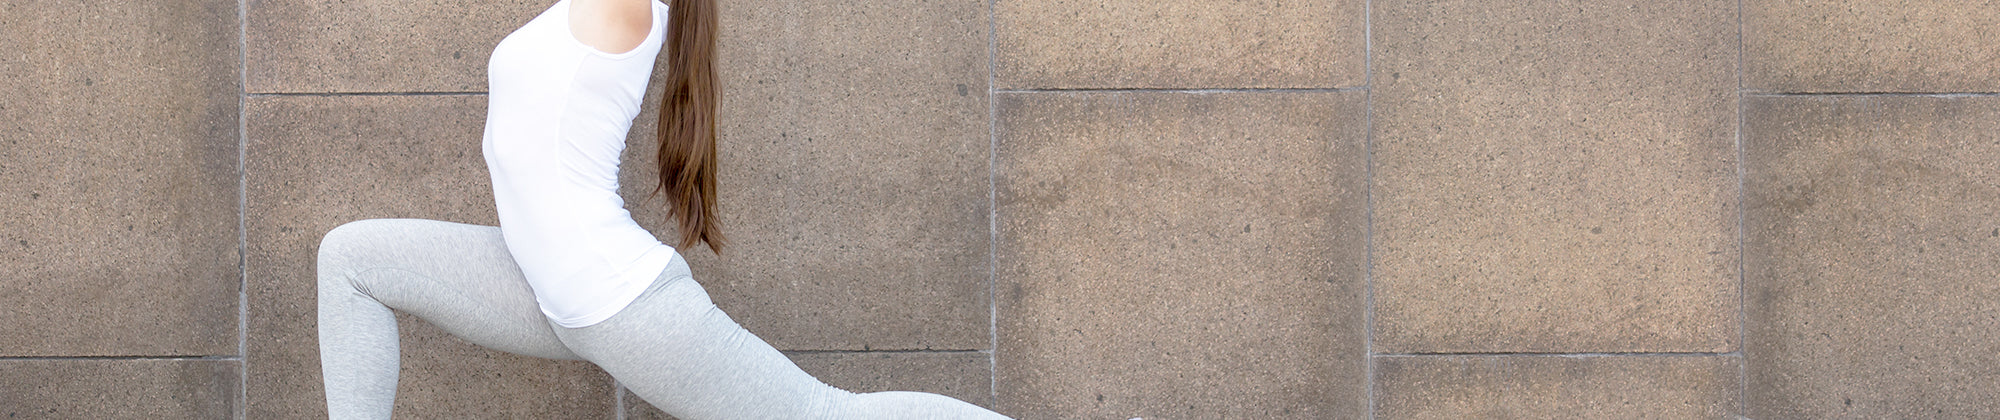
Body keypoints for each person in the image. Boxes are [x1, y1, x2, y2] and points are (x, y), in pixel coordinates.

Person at [313, 0, 1013, 418]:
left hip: (621, 301)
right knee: (351, 258)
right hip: (546, 288)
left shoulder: (624, 6)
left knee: (822, 414)